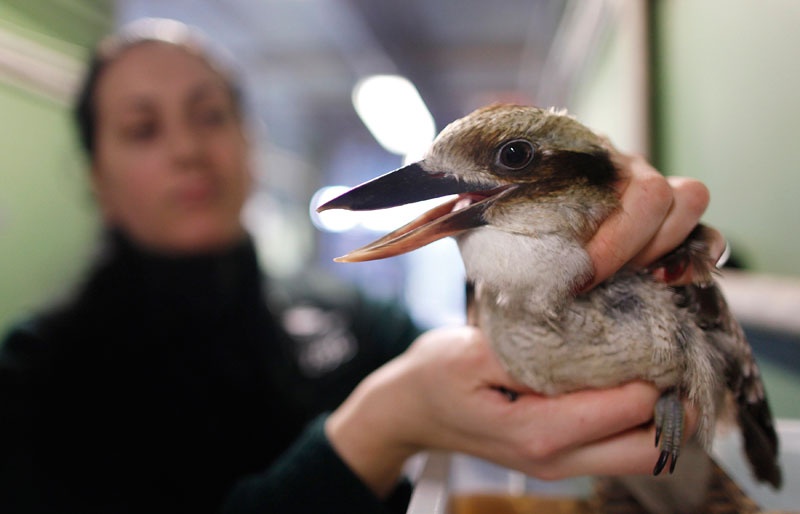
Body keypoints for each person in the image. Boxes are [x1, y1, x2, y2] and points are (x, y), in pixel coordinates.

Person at [0, 18, 724, 514]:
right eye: (143, 128)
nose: (187, 149)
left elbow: (507, 363)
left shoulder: (349, 318)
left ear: (249, 142)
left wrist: (643, 241)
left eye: (209, 115)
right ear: (96, 174)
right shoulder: (35, 370)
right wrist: (379, 428)